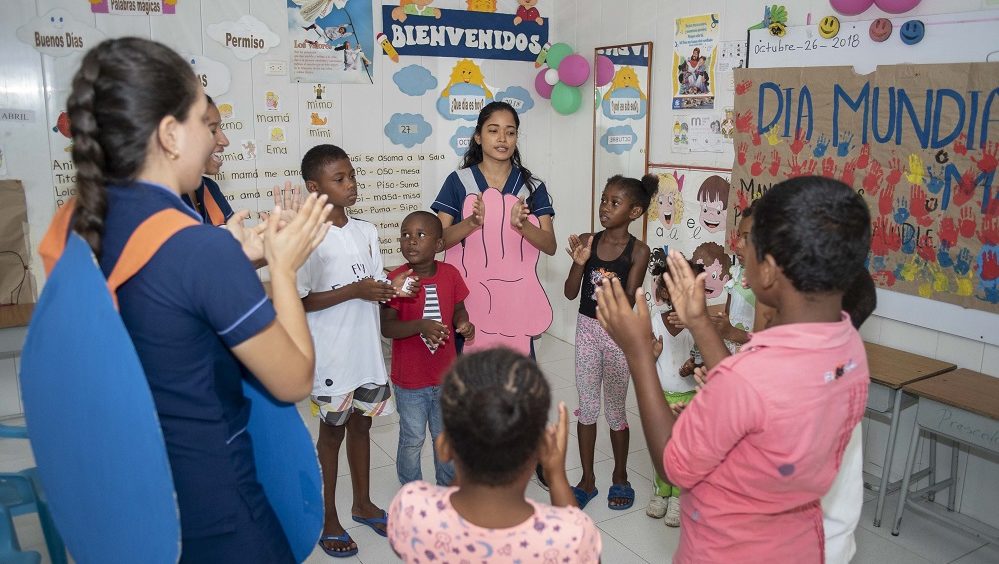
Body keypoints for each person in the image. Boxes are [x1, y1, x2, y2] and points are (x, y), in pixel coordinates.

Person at [60, 37, 332, 562]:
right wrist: (283, 266)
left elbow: (166, 300)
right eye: (206, 125)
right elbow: (293, 379)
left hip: (148, 490)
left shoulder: (95, 221)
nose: (219, 140)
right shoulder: (198, 250)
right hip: (220, 503)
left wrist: (232, 256)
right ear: (169, 133)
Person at [594, 176, 871, 562]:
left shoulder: (749, 379)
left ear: (770, 270)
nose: (740, 249)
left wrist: (638, 351)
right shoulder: (847, 345)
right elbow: (759, 404)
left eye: (748, 245)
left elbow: (674, 466)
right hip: (795, 547)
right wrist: (701, 323)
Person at [431, 100, 557, 487]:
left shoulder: (532, 186)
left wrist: (523, 226)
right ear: (478, 135)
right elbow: (438, 242)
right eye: (493, 130)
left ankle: (529, 455)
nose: (502, 138)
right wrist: (471, 222)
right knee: (472, 383)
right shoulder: (459, 182)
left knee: (521, 384)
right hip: (471, 306)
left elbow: (549, 245)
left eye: (510, 131)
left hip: (517, 304)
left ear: (517, 137)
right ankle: (474, 459)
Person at [295, 144, 410, 558]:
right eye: (339, 179)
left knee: (362, 426)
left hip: (367, 354)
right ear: (314, 187)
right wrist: (355, 291)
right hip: (332, 358)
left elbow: (373, 281)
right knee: (331, 435)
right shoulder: (307, 238)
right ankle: (329, 517)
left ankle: (362, 504)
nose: (351, 185)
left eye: (352, 176)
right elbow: (302, 300)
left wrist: (385, 291)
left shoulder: (365, 231)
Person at [387, 348, 602, 563]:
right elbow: (579, 543)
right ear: (539, 453)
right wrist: (556, 475)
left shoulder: (411, 510)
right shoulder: (569, 539)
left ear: (443, 446)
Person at [563, 174, 656, 510]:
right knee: (587, 409)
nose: (605, 207)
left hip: (618, 334)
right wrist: (579, 261)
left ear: (634, 211)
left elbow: (628, 301)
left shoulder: (639, 251)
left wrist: (609, 285)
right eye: (604, 199)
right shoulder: (590, 240)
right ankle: (587, 480)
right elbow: (571, 292)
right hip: (587, 330)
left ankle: (620, 476)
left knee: (616, 412)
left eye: (614, 202)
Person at [381, 211, 474, 487]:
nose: (411, 241)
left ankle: (446, 489)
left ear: (438, 245)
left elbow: (459, 307)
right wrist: (420, 325)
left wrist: (463, 323)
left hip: (445, 377)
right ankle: (413, 489)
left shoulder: (450, 274)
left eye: (420, 235)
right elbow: (388, 327)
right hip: (410, 381)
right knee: (412, 439)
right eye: (406, 234)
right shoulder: (397, 280)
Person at [645, 249, 702, 526]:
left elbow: (704, 356)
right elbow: (644, 357)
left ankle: (680, 496)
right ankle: (661, 491)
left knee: (684, 448)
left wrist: (694, 364)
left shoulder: (696, 324)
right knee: (663, 446)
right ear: (664, 293)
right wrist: (652, 353)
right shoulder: (656, 321)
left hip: (689, 396)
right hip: (662, 396)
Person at [179, 96, 233, 226]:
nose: (225, 141)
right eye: (213, 131)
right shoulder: (156, 205)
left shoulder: (209, 188)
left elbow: (237, 240)